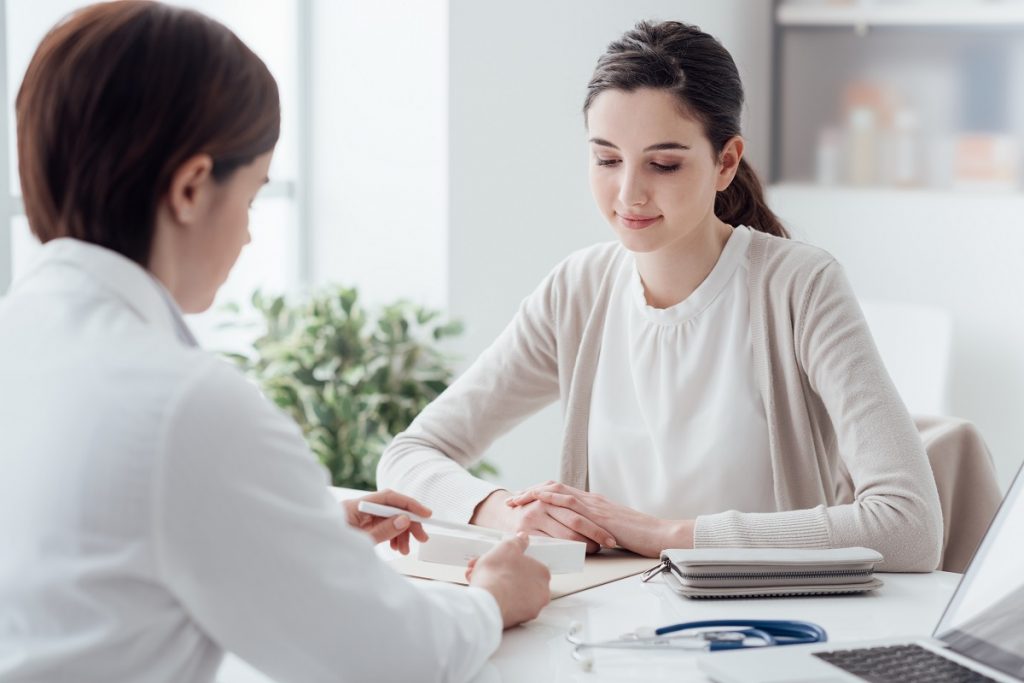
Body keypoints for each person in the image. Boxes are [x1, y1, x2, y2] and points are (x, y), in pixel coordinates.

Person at [0, 3, 548, 683]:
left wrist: (297, 525)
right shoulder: (183, 404)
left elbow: (103, 531)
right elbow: (393, 657)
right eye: (254, 193)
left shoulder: (25, 344)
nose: (252, 233)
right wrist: (492, 596)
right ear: (192, 187)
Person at [377, 20, 943, 572]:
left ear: (725, 162)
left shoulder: (800, 286)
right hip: (608, 625)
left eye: (663, 164)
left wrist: (668, 536)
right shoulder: (579, 290)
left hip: (769, 630)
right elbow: (408, 456)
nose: (629, 193)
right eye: (606, 159)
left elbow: (909, 526)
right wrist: (503, 512)